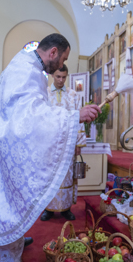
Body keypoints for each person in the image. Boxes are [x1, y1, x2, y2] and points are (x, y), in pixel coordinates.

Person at [0, 33, 101, 261]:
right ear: (53, 52)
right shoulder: (27, 72)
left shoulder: (25, 65)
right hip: (6, 147)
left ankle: (15, 237)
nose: (62, 65)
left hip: (3, 147)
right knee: (6, 208)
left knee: (11, 203)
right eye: (62, 59)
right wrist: (74, 117)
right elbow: (32, 119)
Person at [41, 65, 86, 222]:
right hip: (50, 143)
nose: (61, 80)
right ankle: (48, 209)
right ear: (53, 75)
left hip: (68, 143)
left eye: (64, 77)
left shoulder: (73, 95)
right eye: (58, 77)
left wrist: (79, 144)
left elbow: (79, 119)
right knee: (49, 177)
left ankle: (66, 208)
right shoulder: (45, 93)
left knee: (66, 176)